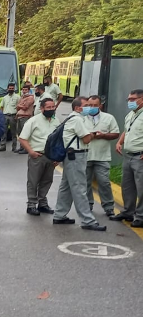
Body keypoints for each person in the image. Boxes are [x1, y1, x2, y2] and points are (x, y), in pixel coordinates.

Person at [52, 98, 105, 231]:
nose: (89, 108)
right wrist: (93, 134)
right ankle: (88, 220)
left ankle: (59, 214)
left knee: (66, 187)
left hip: (70, 156)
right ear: (77, 108)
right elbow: (86, 139)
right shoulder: (77, 119)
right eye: (86, 105)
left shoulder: (71, 118)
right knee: (79, 187)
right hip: (76, 156)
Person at [18, 98, 60, 216]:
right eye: (48, 107)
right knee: (33, 181)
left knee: (47, 181)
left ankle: (42, 203)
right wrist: (31, 152)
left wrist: (57, 156)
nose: (51, 109)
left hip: (51, 156)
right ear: (41, 108)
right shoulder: (33, 121)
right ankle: (31, 205)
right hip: (37, 155)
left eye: (53, 107)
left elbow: (59, 139)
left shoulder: (56, 121)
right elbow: (22, 138)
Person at [110, 89, 143, 228]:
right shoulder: (131, 114)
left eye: (132, 99)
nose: (130, 102)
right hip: (128, 156)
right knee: (127, 186)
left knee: (141, 188)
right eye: (128, 99)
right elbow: (127, 130)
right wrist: (119, 142)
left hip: (139, 157)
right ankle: (128, 212)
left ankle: (141, 216)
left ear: (141, 99)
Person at [83, 95, 120, 217]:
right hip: (85, 155)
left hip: (102, 156)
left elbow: (115, 134)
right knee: (85, 182)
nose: (92, 107)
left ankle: (108, 207)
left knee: (104, 182)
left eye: (95, 105)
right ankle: (87, 205)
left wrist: (103, 135)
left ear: (100, 106)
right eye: (89, 105)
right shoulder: (81, 118)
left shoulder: (109, 118)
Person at [14, 85, 35, 154]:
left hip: (25, 116)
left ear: (28, 90)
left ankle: (26, 148)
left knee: (25, 133)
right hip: (19, 116)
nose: (24, 91)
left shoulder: (30, 97)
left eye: (26, 90)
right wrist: (20, 105)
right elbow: (17, 107)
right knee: (20, 133)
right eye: (23, 89)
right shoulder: (22, 97)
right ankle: (21, 147)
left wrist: (20, 105)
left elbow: (25, 107)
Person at [0, 83, 20, 152]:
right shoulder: (5, 97)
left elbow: (18, 107)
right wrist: (1, 115)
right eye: (10, 88)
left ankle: (14, 147)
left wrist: (17, 115)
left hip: (13, 116)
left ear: (14, 89)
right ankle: (3, 146)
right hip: (5, 116)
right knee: (3, 132)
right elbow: (2, 107)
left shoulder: (17, 97)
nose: (11, 89)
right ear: (7, 88)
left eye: (12, 88)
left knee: (13, 133)